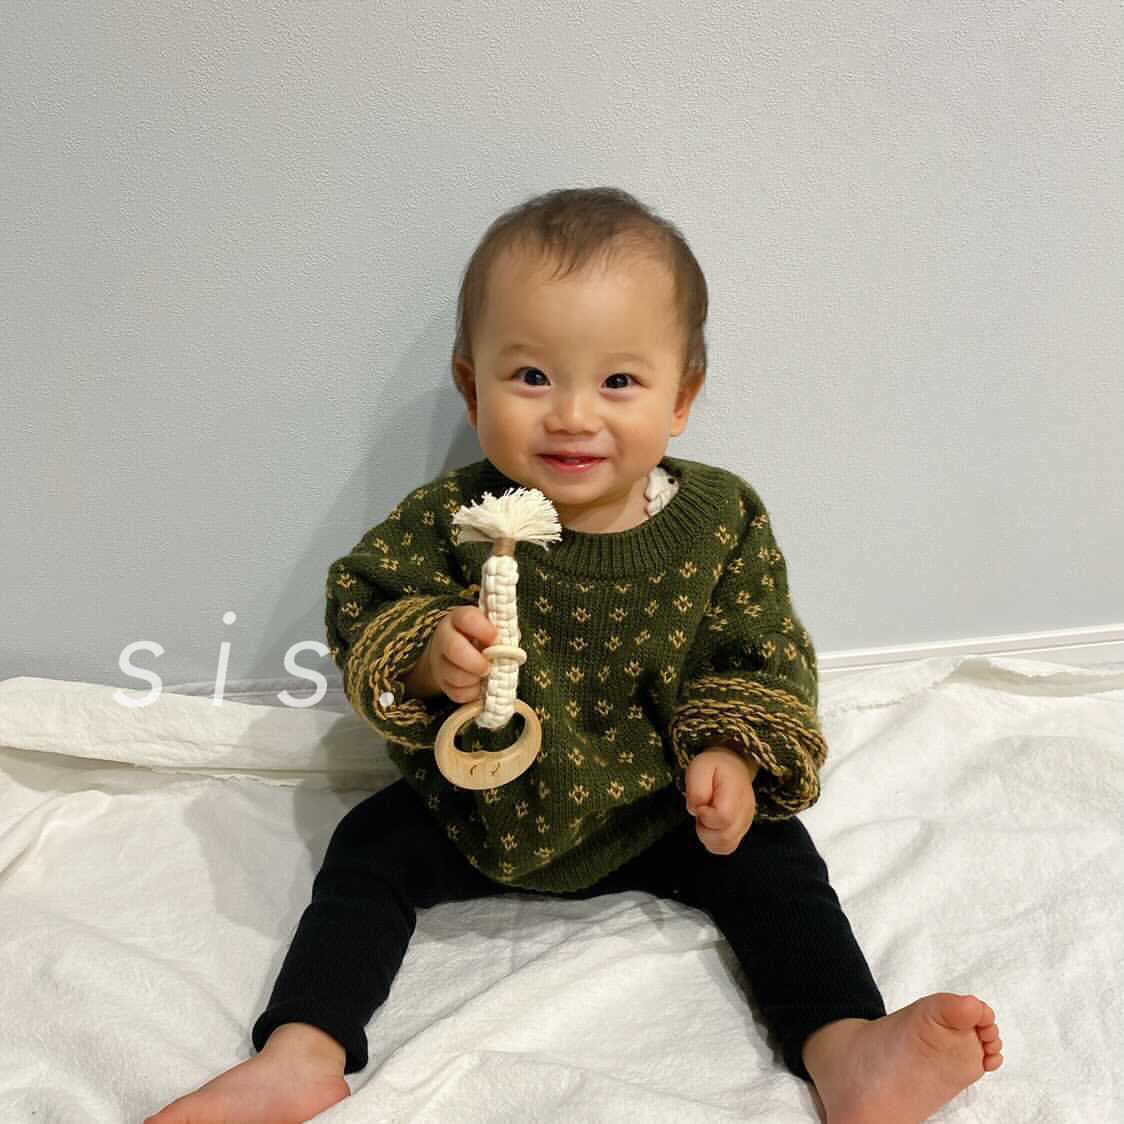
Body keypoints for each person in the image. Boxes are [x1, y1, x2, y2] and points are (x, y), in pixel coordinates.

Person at [146, 186, 1003, 1124]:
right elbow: (364, 603)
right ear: (473, 388)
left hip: (659, 808)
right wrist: (426, 653)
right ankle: (301, 1052)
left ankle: (848, 1049)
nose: (572, 416)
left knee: (776, 860)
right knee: (368, 849)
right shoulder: (454, 517)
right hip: (480, 805)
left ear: (682, 398)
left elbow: (758, 648)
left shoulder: (721, 520)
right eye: (532, 377)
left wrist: (731, 753)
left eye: (619, 382)